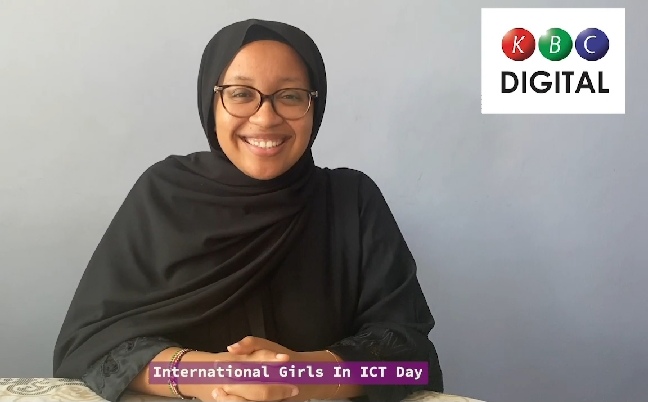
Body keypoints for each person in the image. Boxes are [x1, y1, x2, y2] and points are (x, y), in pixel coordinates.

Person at [52, 18, 444, 402]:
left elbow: (412, 363)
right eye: (241, 94)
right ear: (212, 102)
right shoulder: (162, 195)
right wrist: (212, 375)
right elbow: (88, 348)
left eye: (290, 96)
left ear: (314, 106)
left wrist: (303, 375)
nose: (266, 117)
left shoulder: (352, 200)